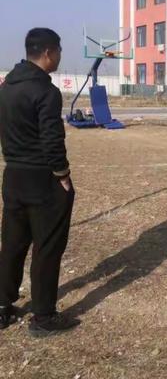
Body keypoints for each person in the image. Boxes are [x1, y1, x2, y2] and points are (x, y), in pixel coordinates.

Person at [0, 28, 79, 337]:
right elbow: (52, 140)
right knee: (47, 248)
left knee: (13, 244)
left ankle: (3, 306)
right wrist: (62, 174)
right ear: (48, 53)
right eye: (58, 51)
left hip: (14, 176)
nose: (59, 57)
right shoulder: (46, 92)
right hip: (43, 180)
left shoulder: (6, 88)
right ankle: (43, 317)